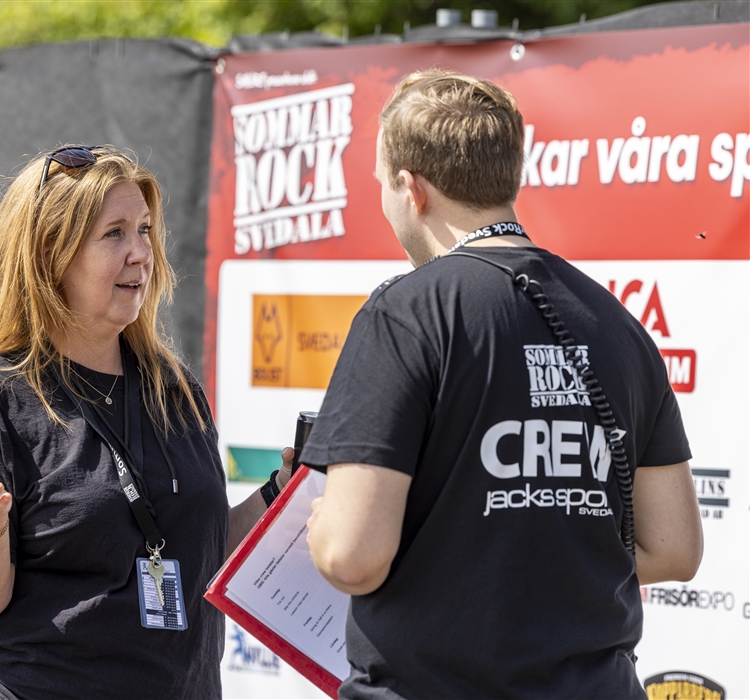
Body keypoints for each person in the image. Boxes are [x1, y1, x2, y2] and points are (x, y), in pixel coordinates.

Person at [301, 71, 703, 698]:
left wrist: (321, 522)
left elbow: (351, 555)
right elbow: (675, 548)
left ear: (413, 189)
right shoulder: (620, 323)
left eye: (381, 184)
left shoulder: (404, 314)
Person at [0, 145, 294, 700]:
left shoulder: (175, 390)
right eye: (114, 234)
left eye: (145, 230)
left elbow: (200, 553)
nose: (140, 253)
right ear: (52, 254)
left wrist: (279, 492)